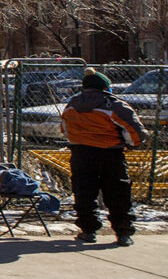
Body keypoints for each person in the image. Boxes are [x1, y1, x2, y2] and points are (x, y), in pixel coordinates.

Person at [61, 68, 144, 246]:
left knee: (84, 192)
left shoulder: (71, 105)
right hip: (110, 153)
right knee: (118, 193)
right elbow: (135, 132)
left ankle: (88, 230)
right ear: (105, 87)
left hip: (80, 153)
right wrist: (131, 144)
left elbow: (64, 129)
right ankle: (123, 232)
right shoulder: (114, 105)